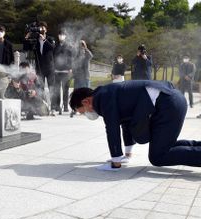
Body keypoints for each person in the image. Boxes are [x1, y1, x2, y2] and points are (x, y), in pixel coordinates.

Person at [69, 80, 201, 171]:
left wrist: (116, 162)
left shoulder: (101, 99)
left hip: (167, 104)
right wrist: (126, 155)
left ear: (85, 101)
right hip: (171, 100)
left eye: (83, 111)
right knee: (164, 147)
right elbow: (125, 123)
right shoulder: (105, 93)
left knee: (158, 157)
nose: (86, 114)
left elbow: (112, 128)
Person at [23, 21, 56, 115]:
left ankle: (53, 108)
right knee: (39, 88)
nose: (41, 29)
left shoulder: (50, 38)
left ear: (46, 29)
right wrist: (27, 35)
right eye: (40, 27)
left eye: (43, 27)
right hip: (39, 68)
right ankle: (41, 107)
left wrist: (44, 40)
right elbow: (26, 48)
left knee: (51, 88)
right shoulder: (35, 40)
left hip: (49, 68)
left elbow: (53, 48)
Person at [53, 29, 73, 114]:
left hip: (66, 71)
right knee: (57, 90)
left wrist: (71, 68)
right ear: (58, 36)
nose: (61, 36)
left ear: (65, 36)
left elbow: (71, 58)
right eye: (60, 34)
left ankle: (65, 106)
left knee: (66, 90)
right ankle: (57, 106)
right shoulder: (55, 46)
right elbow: (53, 58)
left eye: (63, 35)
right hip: (57, 71)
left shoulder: (69, 46)